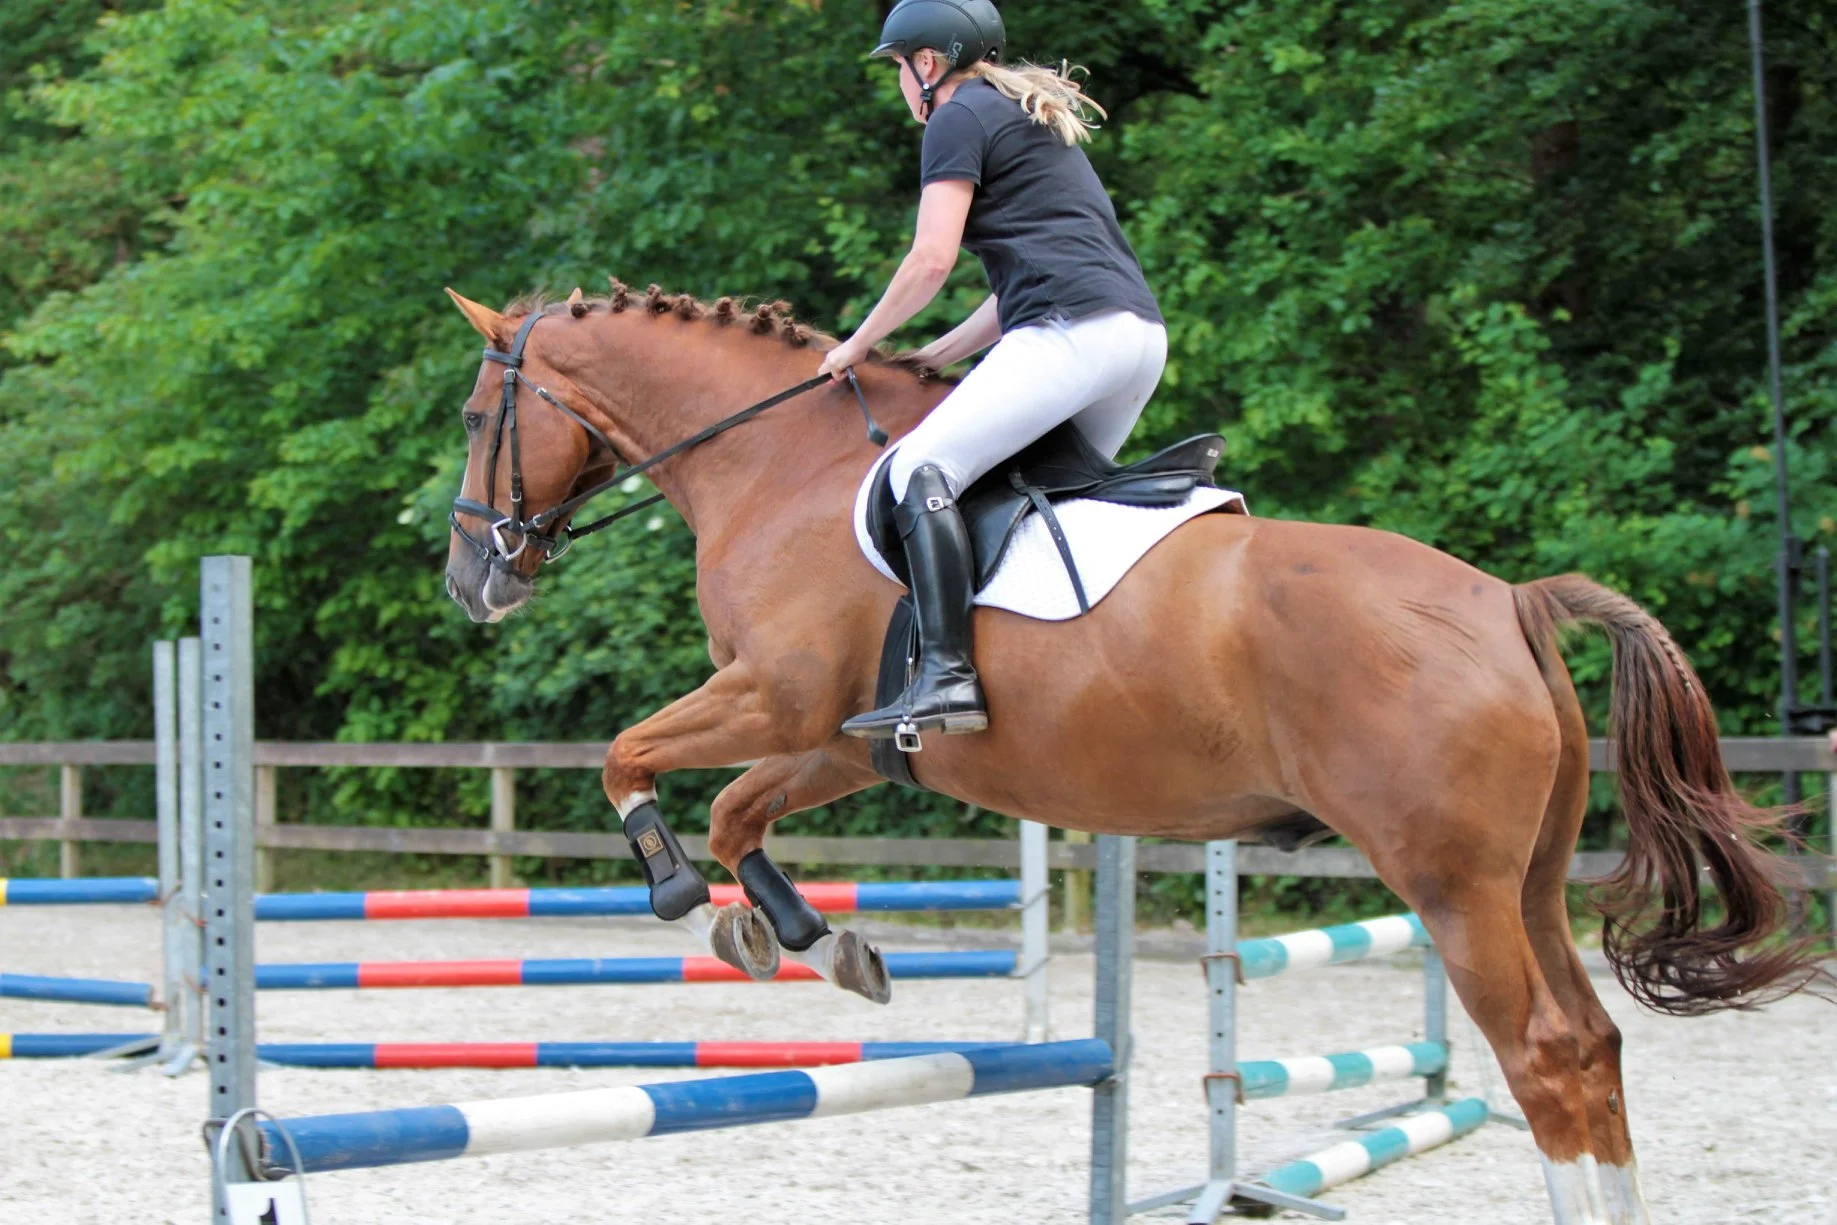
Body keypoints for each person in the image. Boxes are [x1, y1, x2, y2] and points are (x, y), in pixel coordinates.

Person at [819, 0, 1167, 743]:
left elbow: (930, 260)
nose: (898, 86)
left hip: (1069, 335)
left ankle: (946, 674)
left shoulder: (956, 116)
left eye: (897, 69)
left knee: (919, 472)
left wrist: (856, 343)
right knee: (1032, 494)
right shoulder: (1019, 113)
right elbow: (1011, 293)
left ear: (928, 63)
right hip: (1132, 338)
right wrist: (931, 357)